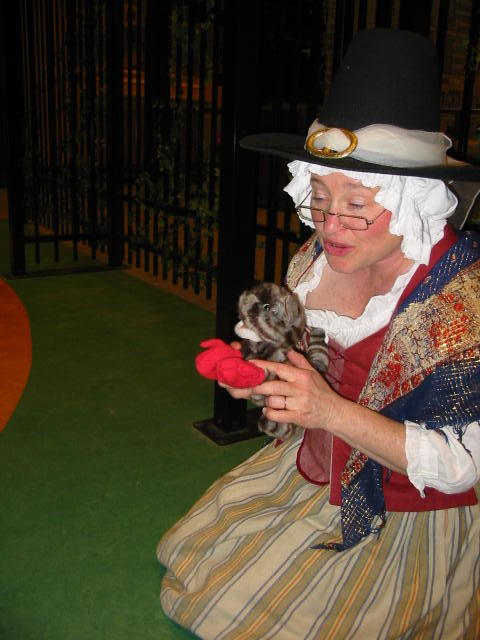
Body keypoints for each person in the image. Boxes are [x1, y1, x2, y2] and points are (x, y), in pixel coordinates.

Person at [157, 29, 480, 639]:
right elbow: (305, 358)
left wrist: (329, 410)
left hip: (409, 504)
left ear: (412, 199)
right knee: (197, 562)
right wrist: (260, 374)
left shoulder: (464, 302)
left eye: (357, 205)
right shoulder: (316, 259)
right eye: (320, 198)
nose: (330, 226)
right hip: (316, 465)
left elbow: (461, 468)